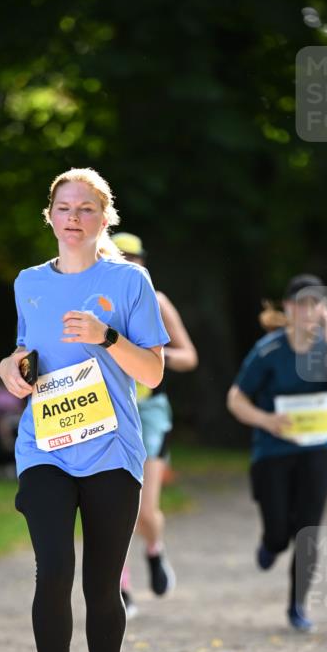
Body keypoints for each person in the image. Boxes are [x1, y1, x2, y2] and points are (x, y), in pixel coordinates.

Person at [0, 168, 169, 652]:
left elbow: (152, 372)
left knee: (101, 584)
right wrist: (10, 368)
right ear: (50, 216)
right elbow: (26, 352)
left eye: (86, 208)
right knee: (52, 571)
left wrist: (106, 336)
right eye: (64, 208)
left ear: (105, 217)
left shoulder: (129, 281)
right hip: (44, 444)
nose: (74, 218)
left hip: (110, 448)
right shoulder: (28, 282)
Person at [227, 275, 327, 632]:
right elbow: (236, 399)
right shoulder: (269, 349)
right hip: (273, 450)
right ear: (288, 307)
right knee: (278, 531)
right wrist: (267, 420)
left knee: (308, 528)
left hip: (318, 450)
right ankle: (270, 544)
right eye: (302, 304)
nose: (308, 311)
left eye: (316, 304)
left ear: (324, 309)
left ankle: (298, 605)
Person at [112, 232, 198, 611]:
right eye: (119, 256)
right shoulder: (97, 302)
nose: (127, 263)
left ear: (143, 262)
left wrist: (153, 355)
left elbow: (189, 356)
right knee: (114, 506)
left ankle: (154, 548)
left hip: (148, 411)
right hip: (109, 409)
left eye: (134, 258)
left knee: (145, 511)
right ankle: (122, 587)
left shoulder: (158, 302)